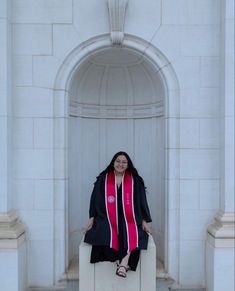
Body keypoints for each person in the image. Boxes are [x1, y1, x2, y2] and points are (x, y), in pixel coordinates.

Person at [84, 151, 152, 278]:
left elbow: (142, 200)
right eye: (118, 161)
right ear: (113, 162)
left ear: (128, 164)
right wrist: (92, 218)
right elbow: (95, 199)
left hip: (130, 216)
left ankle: (123, 264)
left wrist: (144, 220)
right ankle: (119, 261)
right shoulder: (103, 178)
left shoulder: (134, 180)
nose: (120, 164)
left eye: (124, 162)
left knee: (134, 231)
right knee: (104, 231)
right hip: (107, 216)